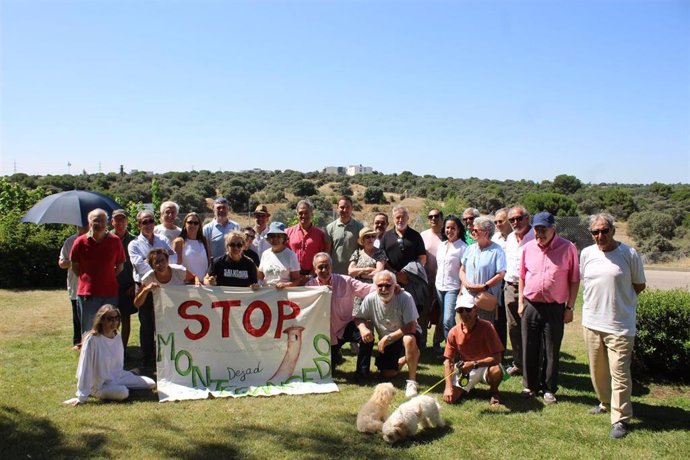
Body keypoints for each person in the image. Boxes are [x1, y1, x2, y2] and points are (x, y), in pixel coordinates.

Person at [580, 213, 646, 439]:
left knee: (619, 373)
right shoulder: (586, 253)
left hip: (619, 325)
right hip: (592, 322)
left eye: (604, 231)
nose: (600, 236)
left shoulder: (628, 254)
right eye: (595, 232)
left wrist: (620, 303)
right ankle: (605, 403)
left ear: (613, 231)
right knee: (597, 371)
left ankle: (620, 419)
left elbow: (639, 285)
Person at [519, 211, 579, 404]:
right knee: (529, 347)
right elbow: (522, 276)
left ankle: (549, 389)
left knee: (552, 349)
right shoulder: (528, 248)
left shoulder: (568, 248)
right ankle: (530, 386)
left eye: (544, 229)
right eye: (537, 229)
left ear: (554, 229)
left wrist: (569, 308)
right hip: (531, 305)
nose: (539, 233)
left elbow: (574, 280)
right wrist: (521, 302)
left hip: (555, 307)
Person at [63, 304, 156, 406]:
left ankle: (128, 376)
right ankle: (94, 392)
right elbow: (86, 367)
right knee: (123, 392)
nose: (114, 322)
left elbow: (117, 365)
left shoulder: (117, 335)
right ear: (101, 320)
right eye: (110, 319)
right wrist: (81, 396)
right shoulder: (92, 339)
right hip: (98, 384)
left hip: (118, 376)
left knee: (151, 383)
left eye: (116, 318)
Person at [307, 253, 376, 378]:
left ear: (331, 267)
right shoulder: (309, 287)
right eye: (320, 267)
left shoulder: (346, 281)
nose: (324, 270)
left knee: (367, 337)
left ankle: (362, 373)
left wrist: (391, 286)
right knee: (328, 373)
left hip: (345, 326)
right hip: (325, 333)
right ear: (314, 269)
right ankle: (336, 355)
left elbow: (368, 289)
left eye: (326, 266)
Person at [355, 270, 422, 398]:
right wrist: (363, 329)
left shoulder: (405, 297)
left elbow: (411, 327)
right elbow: (359, 318)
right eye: (380, 285)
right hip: (389, 341)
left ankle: (412, 382)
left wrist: (388, 337)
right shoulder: (370, 299)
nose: (384, 289)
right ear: (375, 286)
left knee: (408, 339)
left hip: (407, 334)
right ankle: (408, 358)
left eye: (388, 285)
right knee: (388, 374)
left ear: (395, 285)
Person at [128, 209, 175, 368]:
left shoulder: (163, 239)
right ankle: (147, 359)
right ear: (139, 225)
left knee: (165, 321)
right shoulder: (134, 244)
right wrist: (159, 269)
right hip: (144, 285)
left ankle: (165, 358)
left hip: (165, 286)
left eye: (150, 221)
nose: (148, 224)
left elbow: (172, 257)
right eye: (144, 222)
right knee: (147, 323)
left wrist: (162, 270)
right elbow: (139, 264)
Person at [442, 295, 505, 406]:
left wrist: (473, 364)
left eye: (468, 309)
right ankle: (468, 387)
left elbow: (497, 358)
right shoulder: (453, 332)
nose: (464, 313)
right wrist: (448, 387)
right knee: (451, 399)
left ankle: (494, 393)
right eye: (460, 310)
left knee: (497, 370)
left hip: (485, 367)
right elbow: (448, 361)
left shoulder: (487, 327)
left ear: (476, 310)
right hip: (466, 369)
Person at [70, 208, 125, 335]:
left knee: (110, 328)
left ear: (107, 222)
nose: (99, 223)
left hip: (110, 293)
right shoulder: (80, 242)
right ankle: (89, 354)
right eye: (96, 220)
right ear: (89, 222)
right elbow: (75, 266)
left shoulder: (115, 240)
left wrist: (107, 277)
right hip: (87, 294)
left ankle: (109, 354)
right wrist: (88, 279)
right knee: (89, 330)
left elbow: (120, 266)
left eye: (102, 220)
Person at [380, 206, 428, 347]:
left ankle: (412, 342)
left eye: (403, 217)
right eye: (397, 217)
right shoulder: (386, 237)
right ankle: (394, 343)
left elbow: (422, 258)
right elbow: (382, 258)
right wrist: (395, 276)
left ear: (408, 218)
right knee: (393, 312)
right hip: (392, 282)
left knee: (412, 312)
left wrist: (409, 274)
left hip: (412, 282)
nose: (400, 220)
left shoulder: (415, 236)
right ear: (393, 219)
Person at [503, 205, 534, 377]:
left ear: (527, 218)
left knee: (530, 328)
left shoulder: (535, 236)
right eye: (512, 220)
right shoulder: (509, 237)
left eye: (519, 218)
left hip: (529, 288)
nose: (516, 222)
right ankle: (518, 363)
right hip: (510, 286)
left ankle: (533, 364)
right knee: (513, 327)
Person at [459, 216, 506, 323]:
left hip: (485, 298)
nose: (472, 232)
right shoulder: (470, 248)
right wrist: (466, 284)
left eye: (476, 230)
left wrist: (485, 286)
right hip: (468, 297)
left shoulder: (497, 251)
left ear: (486, 232)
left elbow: (501, 274)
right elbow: (462, 269)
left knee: (484, 330)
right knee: (466, 328)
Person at [435, 215, 468, 342]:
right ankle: (443, 346)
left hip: (453, 288)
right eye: (447, 228)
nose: (450, 230)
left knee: (448, 319)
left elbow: (465, 271)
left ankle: (454, 349)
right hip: (439, 287)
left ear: (458, 229)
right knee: (442, 318)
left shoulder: (463, 247)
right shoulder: (442, 245)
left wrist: (461, 290)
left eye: (453, 228)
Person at [110, 209, 136, 354]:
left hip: (127, 285)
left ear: (127, 221)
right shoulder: (106, 238)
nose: (120, 222)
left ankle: (123, 350)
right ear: (112, 222)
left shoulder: (134, 239)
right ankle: (112, 350)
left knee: (125, 318)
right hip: (110, 285)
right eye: (116, 219)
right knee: (111, 319)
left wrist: (134, 284)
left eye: (122, 219)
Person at [59, 224, 88, 349]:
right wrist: (74, 263)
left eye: (85, 225)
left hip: (90, 284)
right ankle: (78, 342)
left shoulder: (95, 240)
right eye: (80, 226)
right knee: (77, 315)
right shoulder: (70, 241)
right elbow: (61, 262)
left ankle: (91, 341)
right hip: (75, 284)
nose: (83, 228)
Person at [421, 209, 446, 355]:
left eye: (436, 216)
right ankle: (422, 343)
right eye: (430, 216)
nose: (433, 219)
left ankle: (437, 342)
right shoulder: (423, 236)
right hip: (426, 281)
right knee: (422, 313)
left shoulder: (447, 235)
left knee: (443, 314)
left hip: (444, 282)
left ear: (442, 218)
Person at [348, 227, 387, 309]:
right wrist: (366, 269)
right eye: (368, 237)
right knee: (358, 317)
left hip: (373, 291)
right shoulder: (357, 253)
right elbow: (350, 271)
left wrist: (360, 275)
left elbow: (379, 272)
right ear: (362, 240)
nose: (371, 239)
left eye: (373, 236)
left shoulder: (380, 252)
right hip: (358, 291)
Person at [286, 199, 326, 277]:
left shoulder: (320, 234)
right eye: (300, 213)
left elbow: (322, 255)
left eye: (306, 213)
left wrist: (310, 275)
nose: (303, 216)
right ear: (297, 214)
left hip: (313, 276)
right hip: (292, 276)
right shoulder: (288, 233)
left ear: (312, 214)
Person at [325, 196, 364, 275]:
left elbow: (363, 251)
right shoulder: (330, 228)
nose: (345, 210)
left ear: (352, 208)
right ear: (337, 208)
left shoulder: (359, 227)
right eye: (342, 207)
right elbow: (327, 252)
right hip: (335, 274)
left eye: (347, 207)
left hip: (353, 274)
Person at [490, 208, 512, 349]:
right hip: (496, 282)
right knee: (498, 319)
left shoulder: (516, 238)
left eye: (501, 221)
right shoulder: (495, 238)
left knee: (512, 321)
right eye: (495, 222)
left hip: (511, 282)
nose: (497, 224)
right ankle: (499, 351)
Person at [258, 222, 300, 288]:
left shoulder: (291, 255)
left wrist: (285, 285)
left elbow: (297, 280)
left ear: (284, 238)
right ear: (268, 239)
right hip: (266, 295)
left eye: (279, 236)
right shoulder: (265, 254)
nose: (275, 239)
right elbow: (260, 277)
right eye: (272, 236)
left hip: (283, 295)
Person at [172, 212, 212, 281]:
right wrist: (192, 279)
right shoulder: (179, 242)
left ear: (199, 226)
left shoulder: (204, 241)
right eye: (190, 222)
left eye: (196, 223)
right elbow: (177, 266)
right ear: (185, 224)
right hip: (187, 285)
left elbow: (209, 263)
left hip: (204, 284)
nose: (193, 225)